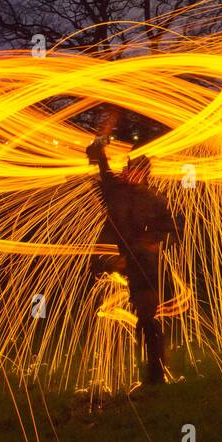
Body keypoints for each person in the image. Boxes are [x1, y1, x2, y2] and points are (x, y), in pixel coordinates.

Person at [86, 133, 176, 386]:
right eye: (128, 167)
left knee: (147, 316)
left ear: (145, 172)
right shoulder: (117, 192)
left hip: (145, 265)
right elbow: (104, 173)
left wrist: (151, 241)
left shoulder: (154, 199)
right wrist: (100, 151)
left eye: (135, 168)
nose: (129, 171)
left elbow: (170, 229)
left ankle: (156, 374)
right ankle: (124, 372)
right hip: (122, 262)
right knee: (125, 315)